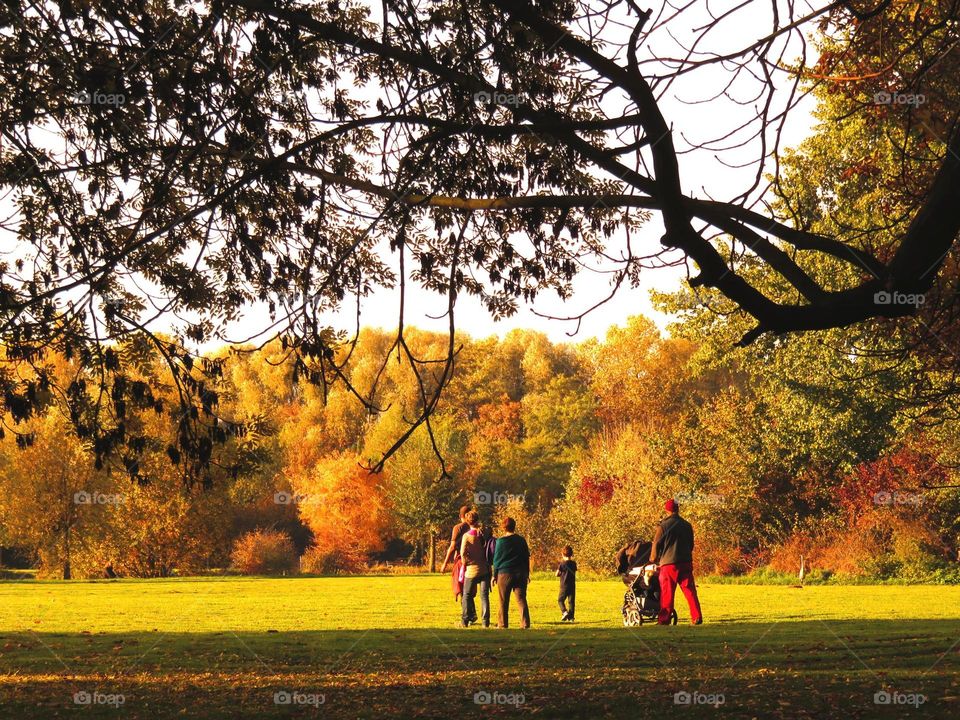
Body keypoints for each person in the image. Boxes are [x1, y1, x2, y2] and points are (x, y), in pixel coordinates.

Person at [649, 498, 703, 625]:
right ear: (678, 509)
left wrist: (653, 559)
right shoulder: (687, 525)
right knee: (690, 591)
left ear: (666, 510)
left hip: (669, 564)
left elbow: (656, 545)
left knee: (667, 593)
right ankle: (696, 616)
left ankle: (664, 619)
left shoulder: (663, 526)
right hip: (685, 562)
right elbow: (691, 544)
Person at [492, 516, 531, 629]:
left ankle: (503, 624)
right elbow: (526, 557)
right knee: (521, 599)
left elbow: (497, 560)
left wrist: (494, 575)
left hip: (504, 574)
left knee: (503, 600)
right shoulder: (521, 540)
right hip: (520, 573)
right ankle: (525, 623)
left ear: (503, 527)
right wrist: (527, 574)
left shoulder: (500, 541)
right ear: (514, 526)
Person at [459, 511, 491, 627]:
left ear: (467, 522)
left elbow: (462, 553)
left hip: (471, 570)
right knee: (484, 596)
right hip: (484, 569)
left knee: (466, 595)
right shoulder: (484, 534)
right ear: (477, 520)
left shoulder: (466, 536)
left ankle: (465, 620)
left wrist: (465, 563)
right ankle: (485, 621)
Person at [440, 505, 472, 601]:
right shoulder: (474, 527)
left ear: (460, 516)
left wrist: (445, 563)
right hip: (473, 560)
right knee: (470, 589)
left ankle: (465, 612)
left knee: (461, 586)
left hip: (461, 560)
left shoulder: (458, 528)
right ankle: (471, 612)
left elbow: (452, 547)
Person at [556, 545, 577, 622]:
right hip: (572, 585)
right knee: (571, 602)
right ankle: (571, 618)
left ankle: (564, 612)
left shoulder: (562, 564)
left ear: (562, 554)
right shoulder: (574, 564)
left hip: (564, 585)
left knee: (560, 600)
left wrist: (560, 573)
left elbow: (557, 574)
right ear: (571, 554)